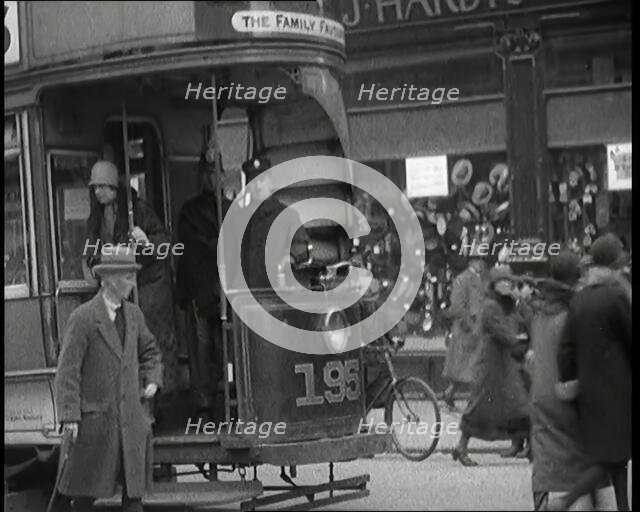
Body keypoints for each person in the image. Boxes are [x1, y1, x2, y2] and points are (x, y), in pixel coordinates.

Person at [54, 245, 163, 512]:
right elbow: (68, 370)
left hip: (131, 423)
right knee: (83, 496)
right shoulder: (83, 318)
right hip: (96, 424)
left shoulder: (134, 315)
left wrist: (152, 378)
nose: (132, 283)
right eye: (127, 277)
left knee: (133, 497)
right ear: (109, 280)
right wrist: (70, 416)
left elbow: (151, 351)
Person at [85, 160, 180, 417]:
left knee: (149, 345)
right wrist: (97, 263)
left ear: (114, 187)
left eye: (102, 187)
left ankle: (155, 406)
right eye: (95, 188)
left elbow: (165, 244)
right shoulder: (96, 219)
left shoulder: (139, 211)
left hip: (148, 288)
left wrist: (147, 242)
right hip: (118, 288)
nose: (98, 193)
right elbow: (90, 252)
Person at [527, 250, 616, 510]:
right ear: (576, 281)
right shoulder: (573, 317)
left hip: (544, 410)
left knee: (550, 477)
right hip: (571, 410)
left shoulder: (541, 314)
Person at [553, 234, 631, 511]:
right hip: (617, 390)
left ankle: (623, 507)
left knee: (613, 454)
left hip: (587, 390)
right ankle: (566, 500)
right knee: (612, 457)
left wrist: (569, 382)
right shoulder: (616, 296)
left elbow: (566, 347)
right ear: (613, 262)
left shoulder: (581, 298)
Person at [452, 265, 530, 466]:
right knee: (481, 406)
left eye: (509, 281)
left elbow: (519, 321)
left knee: (516, 404)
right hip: (491, 365)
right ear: (494, 284)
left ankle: (529, 447)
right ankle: (461, 447)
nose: (507, 285)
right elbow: (501, 331)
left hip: (503, 364)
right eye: (503, 281)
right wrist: (518, 342)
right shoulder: (491, 306)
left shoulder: (505, 304)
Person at [176, 155, 231, 422]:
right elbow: (192, 248)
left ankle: (230, 399)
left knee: (227, 348)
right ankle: (204, 404)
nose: (212, 178)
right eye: (207, 173)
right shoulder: (190, 211)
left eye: (215, 172)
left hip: (228, 289)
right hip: (202, 289)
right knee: (201, 349)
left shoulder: (232, 208)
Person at [239, 157, 311, 289]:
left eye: (262, 180)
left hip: (277, 296)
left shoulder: (288, 216)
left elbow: (302, 247)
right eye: (253, 181)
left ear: (270, 181)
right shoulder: (239, 219)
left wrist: (290, 257)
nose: (258, 186)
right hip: (245, 296)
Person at [441, 253, 487, 410]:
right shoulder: (462, 280)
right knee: (467, 370)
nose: (481, 263)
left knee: (467, 371)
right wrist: (469, 325)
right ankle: (462, 400)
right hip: (466, 331)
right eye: (479, 259)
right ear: (472, 262)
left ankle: (453, 396)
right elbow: (457, 307)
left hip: (474, 330)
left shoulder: (479, 279)